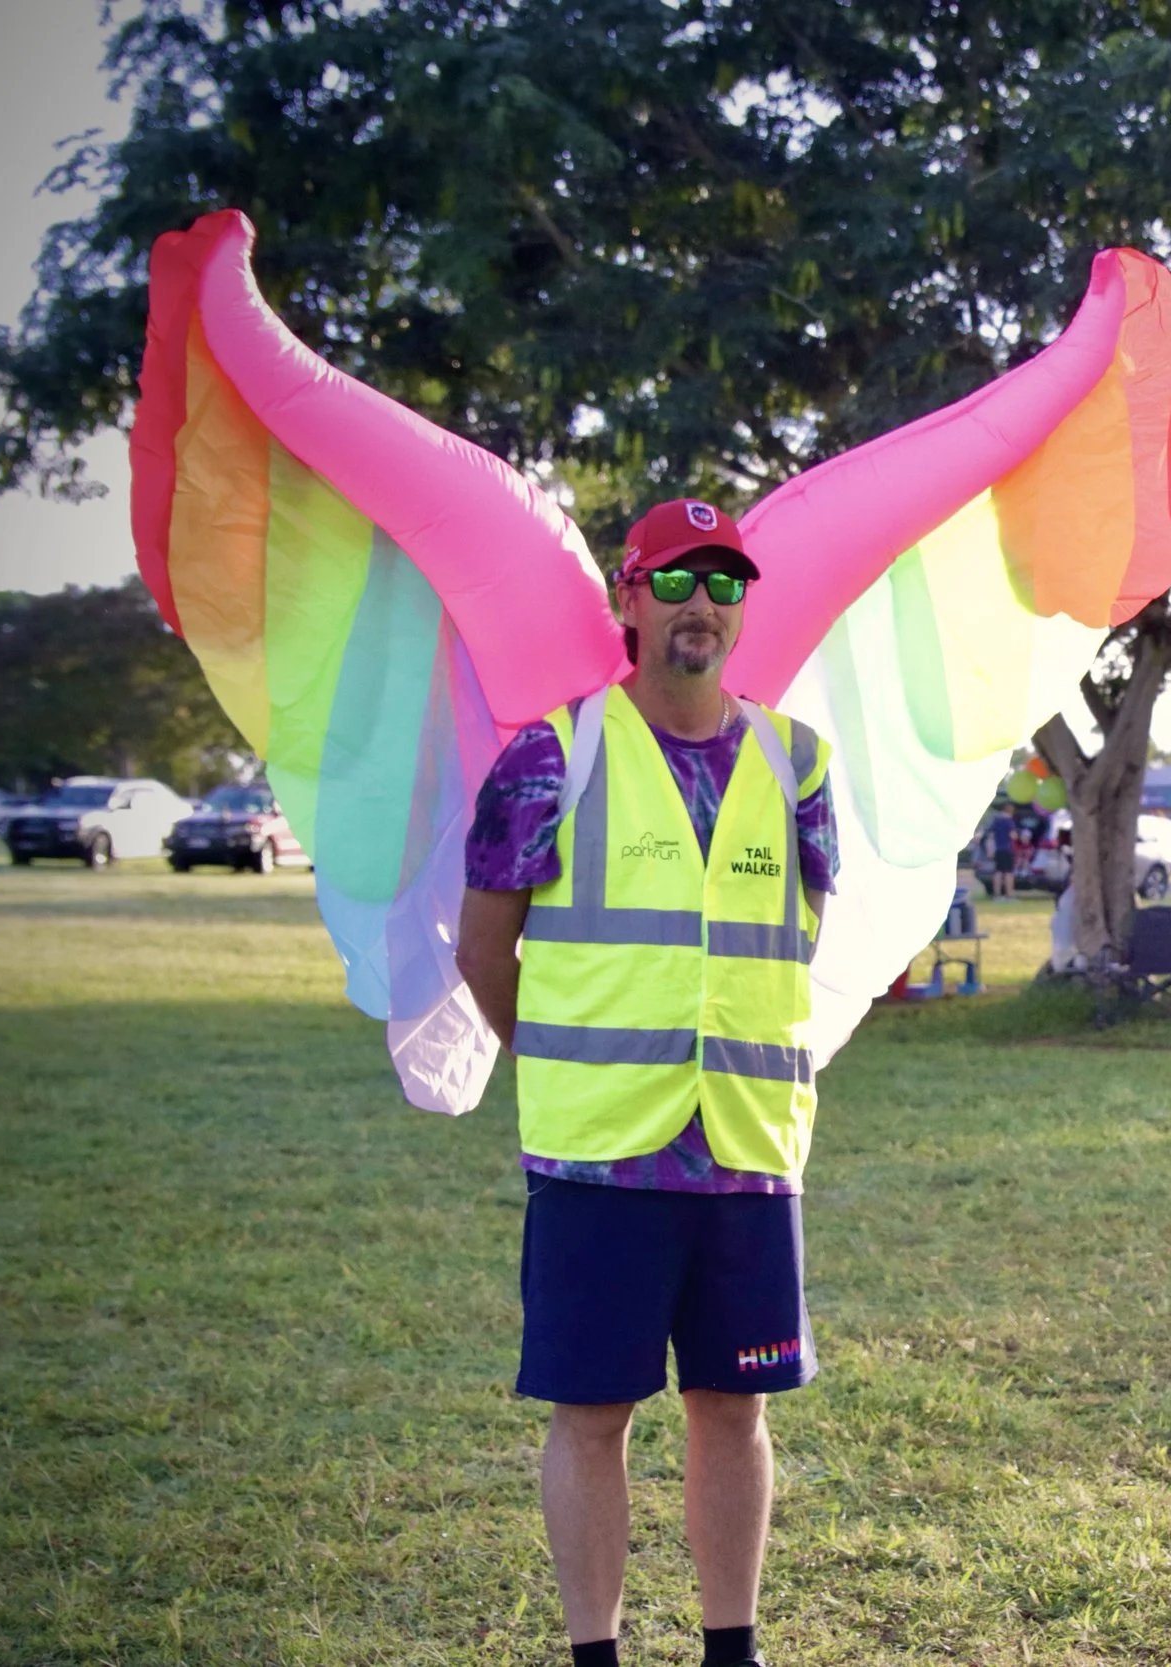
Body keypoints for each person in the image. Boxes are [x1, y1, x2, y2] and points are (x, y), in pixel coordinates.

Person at [455, 498, 841, 1667]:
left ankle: (735, 1650)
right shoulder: (552, 751)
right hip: (597, 1157)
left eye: (725, 585)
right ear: (628, 597)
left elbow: (798, 934)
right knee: (594, 1412)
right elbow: (483, 953)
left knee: (737, 1408)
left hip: (746, 1145)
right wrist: (571, 1065)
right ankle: (597, 1653)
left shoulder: (797, 761)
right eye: (677, 580)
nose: (702, 605)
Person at [986, 803, 1018, 898]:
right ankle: (1009, 894)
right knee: (1008, 873)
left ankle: (997, 894)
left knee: (998, 872)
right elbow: (1013, 835)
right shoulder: (1009, 822)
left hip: (998, 849)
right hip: (1007, 849)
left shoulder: (996, 821)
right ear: (1010, 812)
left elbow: (990, 836)